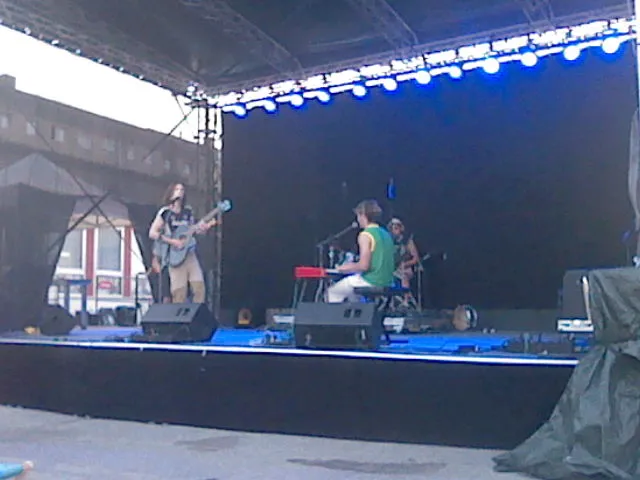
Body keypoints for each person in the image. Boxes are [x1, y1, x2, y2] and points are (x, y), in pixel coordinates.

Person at [148, 182, 218, 303]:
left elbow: (193, 230)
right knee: (179, 293)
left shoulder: (187, 212)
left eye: (182, 189)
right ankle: (179, 314)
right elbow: (152, 233)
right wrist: (172, 241)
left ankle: (197, 313)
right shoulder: (165, 213)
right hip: (175, 257)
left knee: (199, 288)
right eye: (177, 189)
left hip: (189, 254)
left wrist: (204, 227)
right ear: (171, 193)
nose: (180, 192)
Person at [326, 199, 395, 303]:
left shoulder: (366, 235)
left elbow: (363, 266)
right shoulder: (386, 234)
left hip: (372, 280)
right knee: (353, 294)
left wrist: (343, 268)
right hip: (388, 281)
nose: (358, 219)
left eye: (358, 215)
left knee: (333, 292)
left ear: (363, 215)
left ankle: (337, 315)